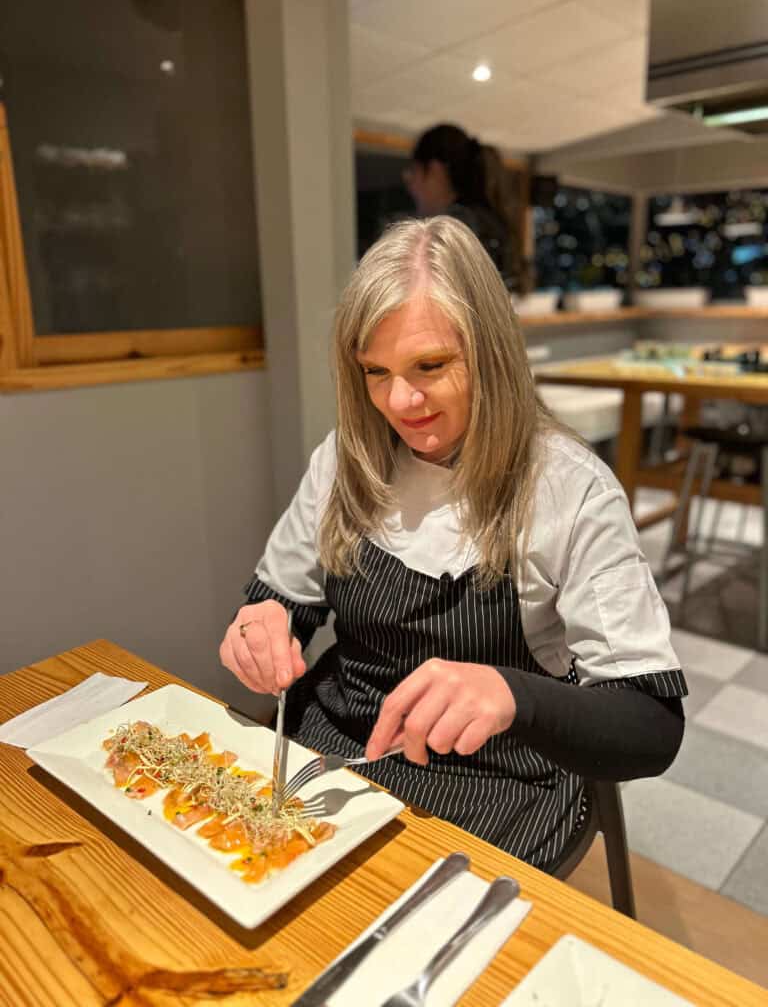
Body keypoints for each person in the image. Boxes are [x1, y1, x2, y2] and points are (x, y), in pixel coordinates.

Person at [220, 216, 686, 874]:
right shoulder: (346, 460)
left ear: (490, 351)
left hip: (494, 778)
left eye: (430, 366)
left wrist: (511, 694)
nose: (400, 402)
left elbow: (651, 728)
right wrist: (263, 626)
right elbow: (281, 598)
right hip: (335, 742)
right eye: (375, 373)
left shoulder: (569, 489)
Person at [402, 123, 524, 290]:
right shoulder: (486, 221)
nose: (410, 185)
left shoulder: (454, 228)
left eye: (413, 172)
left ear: (435, 171)